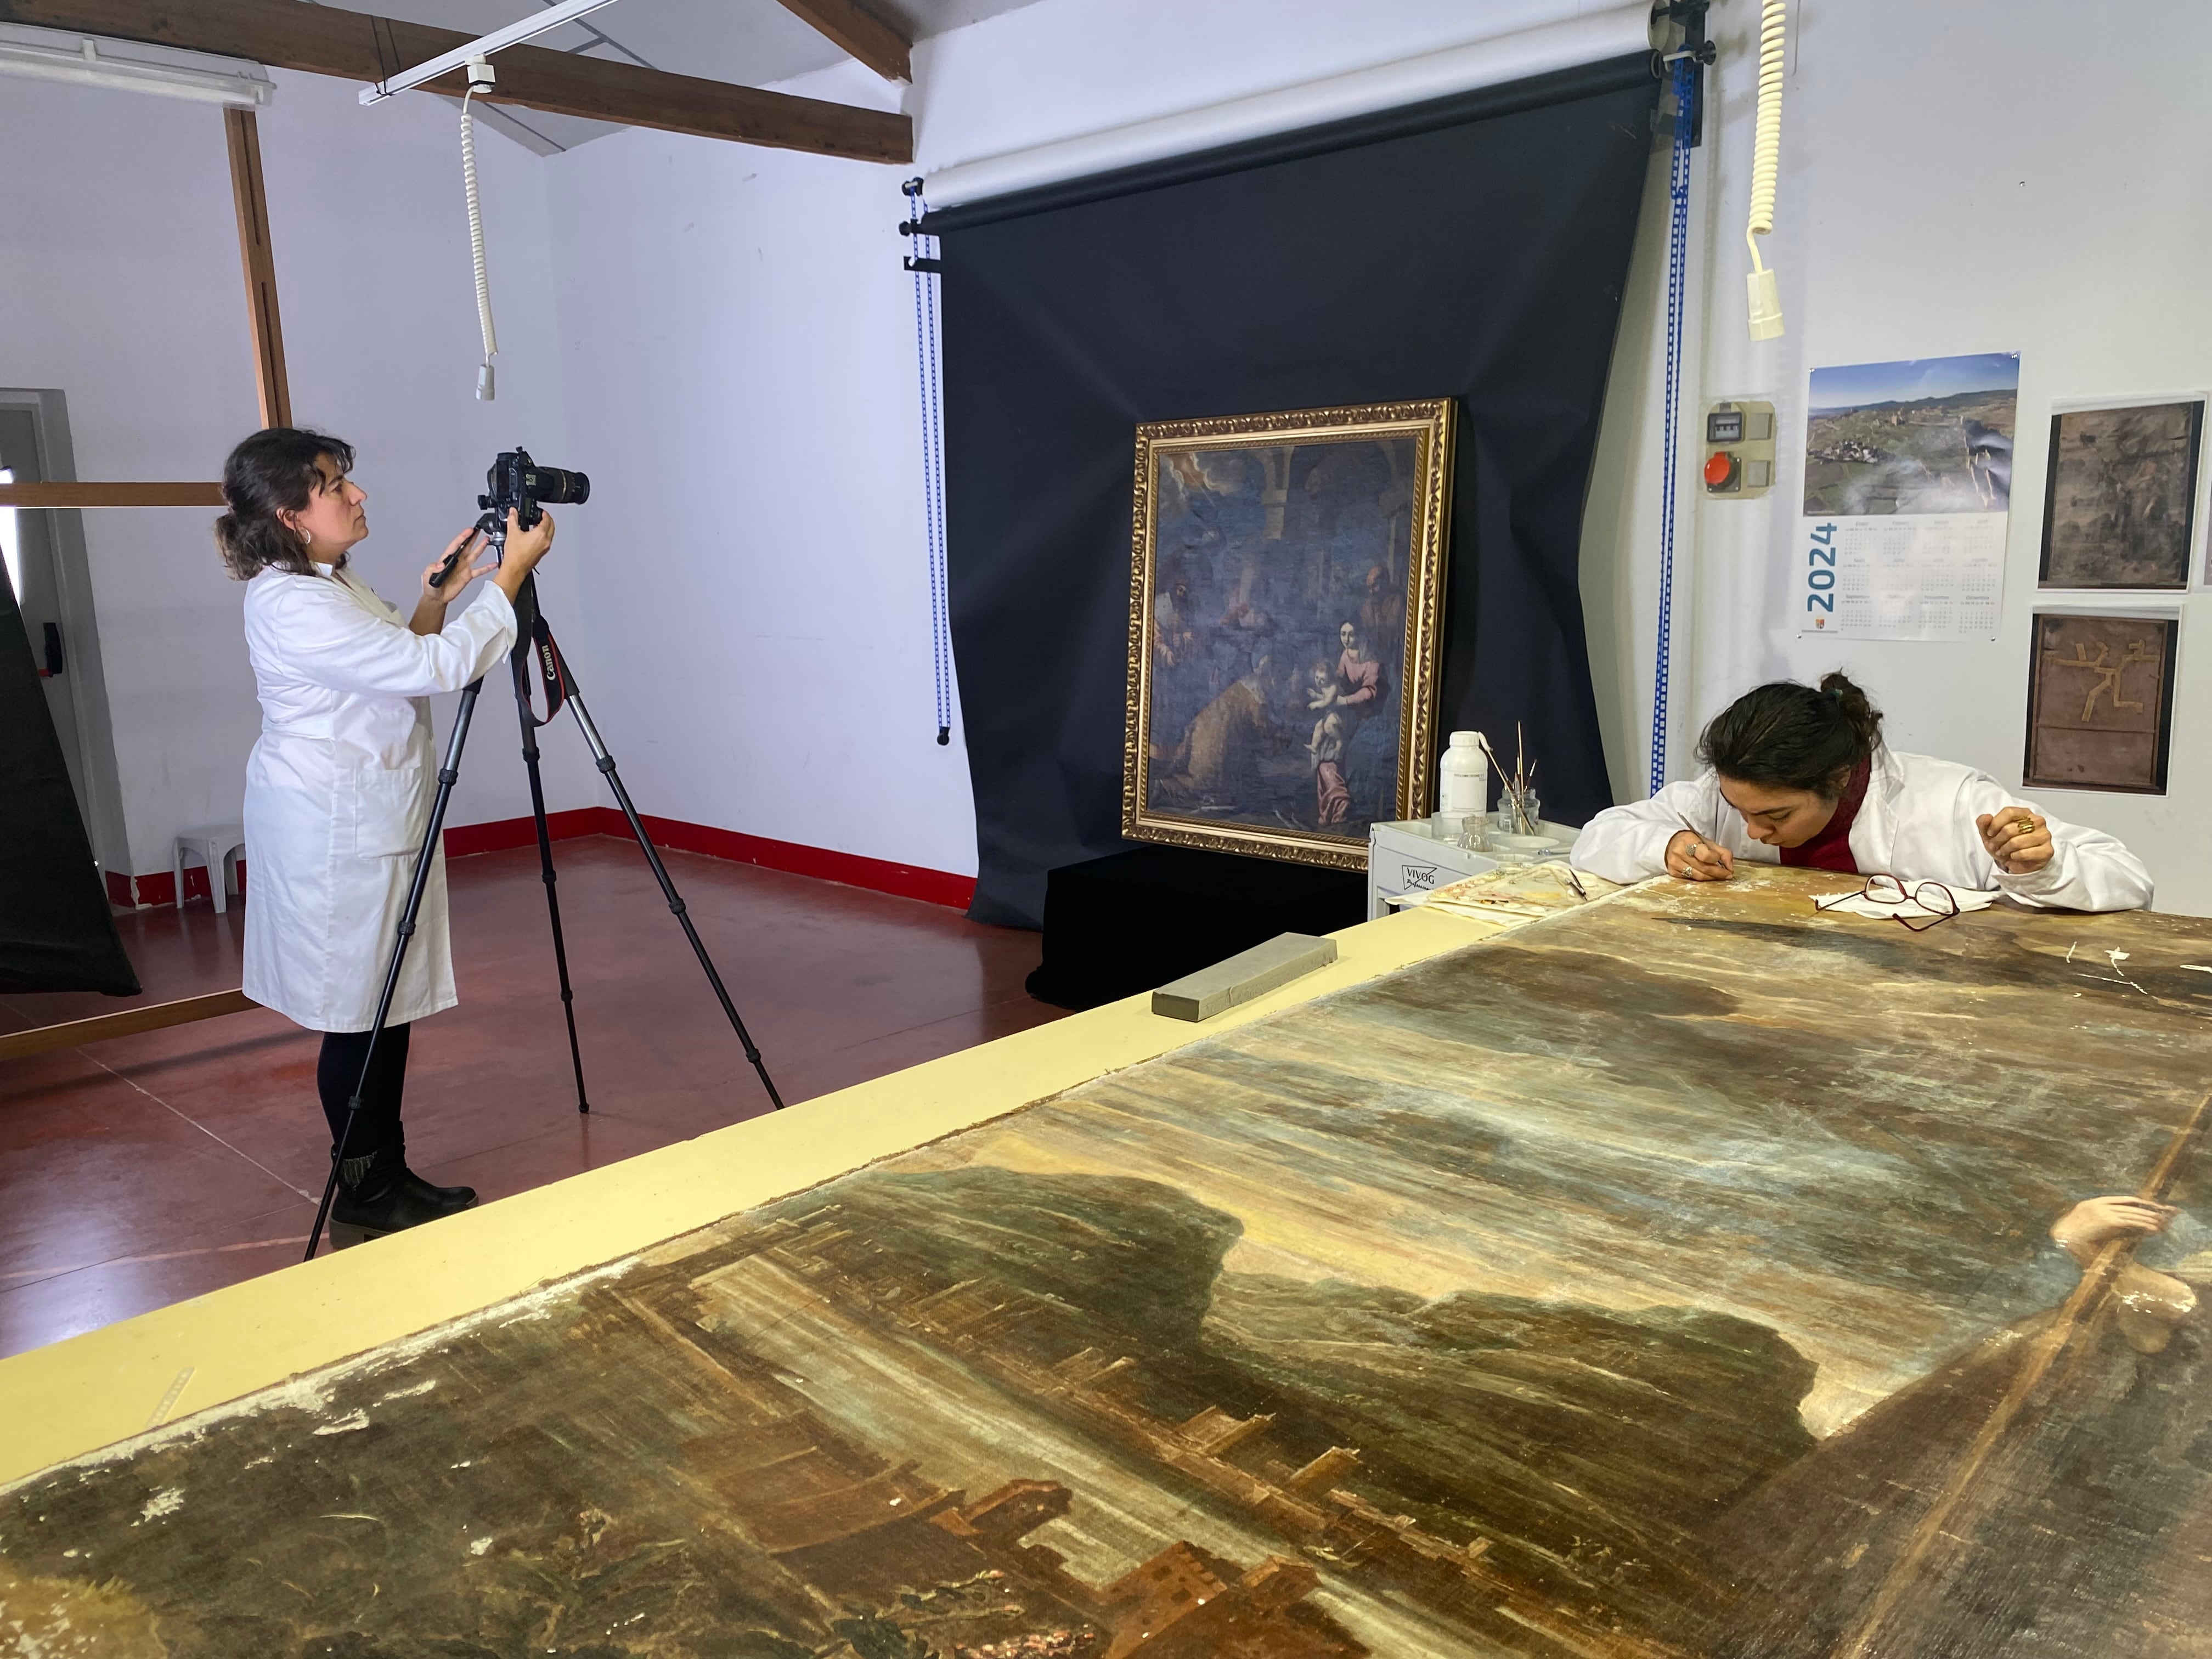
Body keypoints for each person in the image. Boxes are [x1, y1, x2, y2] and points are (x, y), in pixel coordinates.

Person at [217, 427, 556, 1245]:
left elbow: (402, 650)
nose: (357, 496)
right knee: (360, 1012)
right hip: (336, 829)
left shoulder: (326, 582)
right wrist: (509, 576)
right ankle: (365, 1187)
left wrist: (441, 596)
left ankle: (385, 1171)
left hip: (358, 816)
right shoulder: (292, 601)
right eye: (336, 486)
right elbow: (430, 671)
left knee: (380, 1003)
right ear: (292, 515)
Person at [1572, 671, 2151, 910]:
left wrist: (2040, 868)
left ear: (1839, 778)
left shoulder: (1950, 803)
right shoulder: (1719, 798)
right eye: (1738, 809)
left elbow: (2132, 882)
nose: (1752, 831)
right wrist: (1667, 845)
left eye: (1775, 816)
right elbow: (1600, 836)